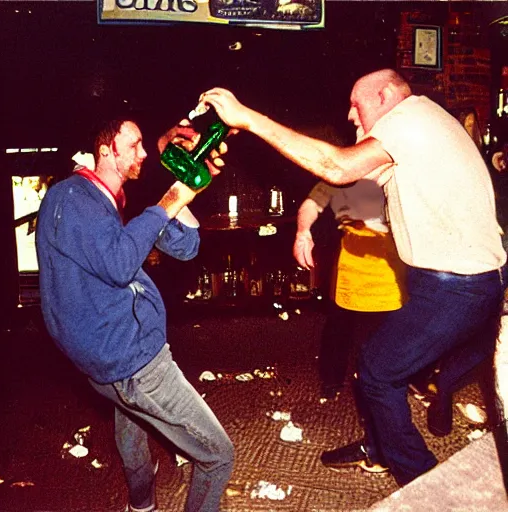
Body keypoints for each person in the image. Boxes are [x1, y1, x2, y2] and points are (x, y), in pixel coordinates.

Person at [200, 69, 507, 486]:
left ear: (385, 96)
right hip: (465, 280)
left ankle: (425, 482)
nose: (349, 113)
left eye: (356, 103)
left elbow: (337, 166)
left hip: (455, 285)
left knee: (378, 370)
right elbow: (340, 181)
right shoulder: (426, 124)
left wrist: (248, 118)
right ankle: (382, 445)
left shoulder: (410, 118)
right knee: (400, 362)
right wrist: (302, 216)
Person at [36, 118, 234, 512]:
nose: (144, 153)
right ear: (106, 150)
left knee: (134, 423)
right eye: (136, 145)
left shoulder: (101, 199)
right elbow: (120, 261)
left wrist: (185, 194)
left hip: (106, 359)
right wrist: (171, 199)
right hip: (133, 361)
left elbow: (186, 247)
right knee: (218, 455)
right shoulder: (75, 196)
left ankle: (140, 507)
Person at [294, 173, 406, 402]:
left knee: (388, 335)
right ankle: (332, 380)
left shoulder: (399, 168)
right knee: (339, 327)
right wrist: (303, 231)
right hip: (352, 264)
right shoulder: (346, 169)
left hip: (391, 267)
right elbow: (312, 203)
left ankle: (391, 386)